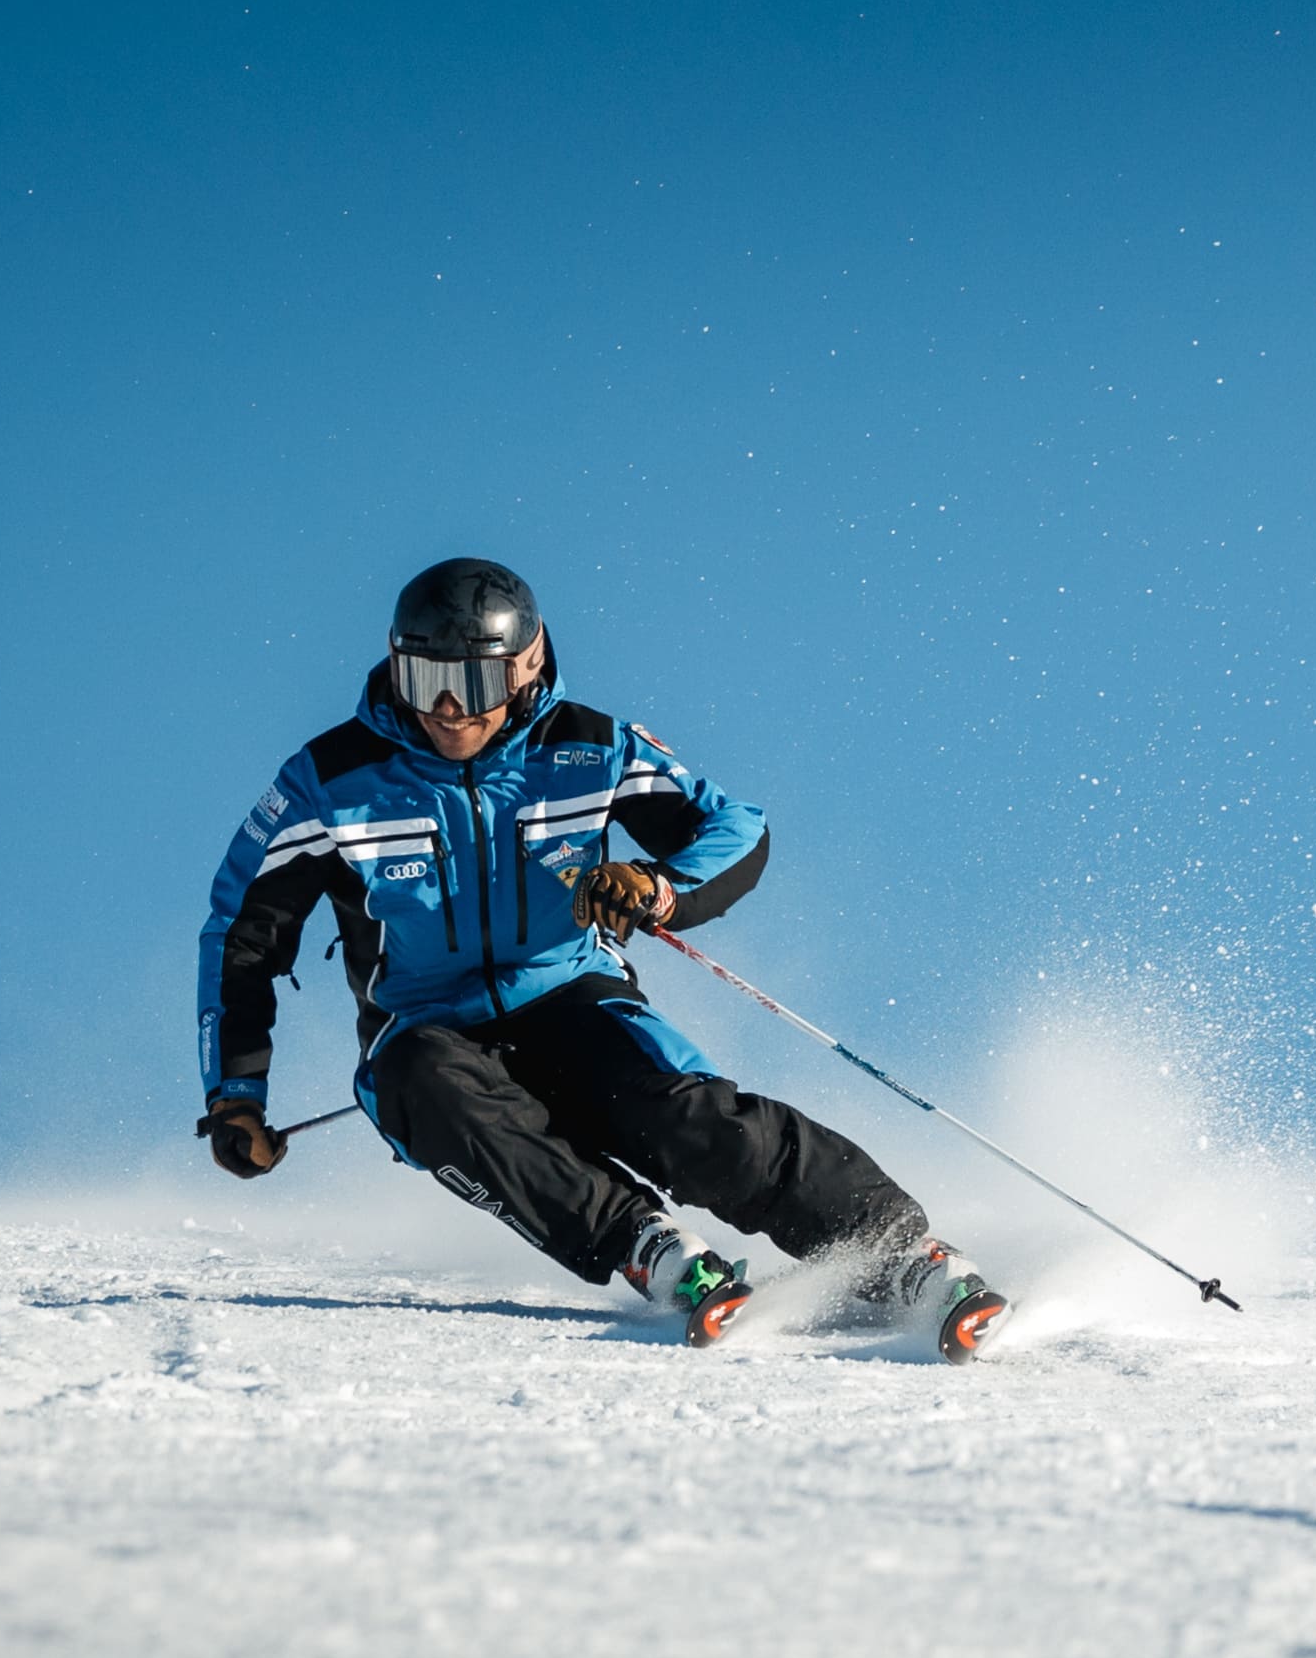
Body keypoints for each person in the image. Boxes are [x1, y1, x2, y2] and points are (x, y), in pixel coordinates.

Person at [196, 557, 1004, 1354]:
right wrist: (236, 1090)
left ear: (524, 667)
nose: (444, 711)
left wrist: (656, 886)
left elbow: (735, 828)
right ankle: (644, 1243)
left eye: (470, 685)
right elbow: (242, 932)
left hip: (571, 993)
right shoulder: (330, 782)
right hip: (423, 1026)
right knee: (427, 1085)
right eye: (421, 679)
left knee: (685, 1118)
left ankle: (901, 1257)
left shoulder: (586, 747)